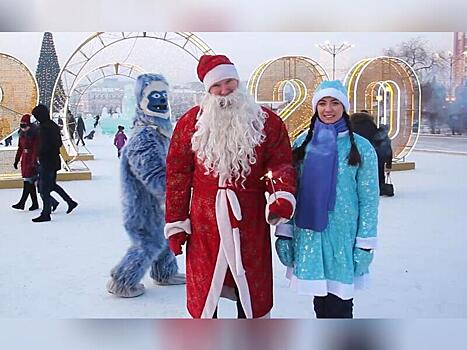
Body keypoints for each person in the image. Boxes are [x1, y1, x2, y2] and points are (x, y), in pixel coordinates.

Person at [164, 54, 296, 318]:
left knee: (250, 289)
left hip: (249, 222)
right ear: (207, 90)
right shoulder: (191, 123)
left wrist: (280, 194)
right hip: (204, 224)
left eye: (229, 82)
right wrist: (177, 222)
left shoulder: (267, 122)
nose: (224, 91)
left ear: (238, 81)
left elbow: (280, 163)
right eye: (216, 86)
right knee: (205, 294)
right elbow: (177, 174)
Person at [275, 80, 379, 318]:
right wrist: (285, 233)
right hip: (310, 237)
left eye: (334, 103)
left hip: (343, 239)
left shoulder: (361, 148)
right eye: (322, 103)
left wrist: (365, 244)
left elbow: (369, 200)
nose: (328, 109)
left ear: (344, 107)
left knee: (340, 305)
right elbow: (291, 192)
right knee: (320, 303)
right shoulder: (303, 144)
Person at [106, 74, 185, 298]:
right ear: (141, 99)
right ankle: (121, 281)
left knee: (162, 236)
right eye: (154, 95)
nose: (160, 101)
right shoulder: (145, 137)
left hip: (155, 206)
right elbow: (154, 177)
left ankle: (164, 273)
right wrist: (178, 194)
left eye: (163, 95)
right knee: (148, 242)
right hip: (141, 207)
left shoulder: (157, 132)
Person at [31, 104, 78, 223]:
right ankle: (70, 202)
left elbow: (44, 145)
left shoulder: (44, 128)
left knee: (44, 188)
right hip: (54, 160)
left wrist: (39, 153)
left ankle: (46, 213)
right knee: (51, 185)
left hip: (46, 161)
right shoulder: (53, 125)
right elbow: (58, 143)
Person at [12, 114, 40, 211]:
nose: (23, 128)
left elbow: (35, 149)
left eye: (24, 125)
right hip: (25, 159)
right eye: (21, 125)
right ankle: (34, 203)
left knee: (28, 182)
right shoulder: (22, 134)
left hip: (31, 159)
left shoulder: (34, 133)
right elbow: (20, 148)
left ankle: (22, 202)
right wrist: (16, 160)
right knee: (30, 182)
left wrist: (34, 161)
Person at [372, 124, 393, 196]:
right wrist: (389, 164)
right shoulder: (387, 140)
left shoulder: (373, 136)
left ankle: (375, 188)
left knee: (375, 174)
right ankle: (381, 188)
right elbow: (389, 152)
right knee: (381, 173)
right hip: (382, 159)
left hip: (374, 158)